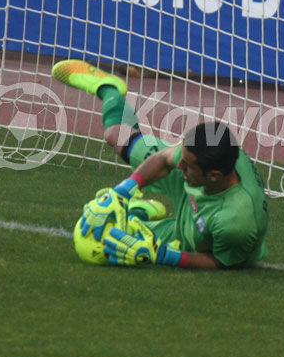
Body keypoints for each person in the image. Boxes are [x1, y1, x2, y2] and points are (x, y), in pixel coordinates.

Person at [52, 59, 269, 269]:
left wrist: (162, 255)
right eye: (181, 158)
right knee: (116, 135)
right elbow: (165, 159)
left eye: (186, 165)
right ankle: (108, 87)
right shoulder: (208, 154)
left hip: (195, 239)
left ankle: (139, 213)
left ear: (214, 175)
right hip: (197, 187)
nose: (179, 166)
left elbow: (219, 262)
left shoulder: (235, 224)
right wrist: (123, 191)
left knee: (115, 241)